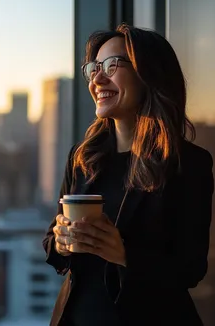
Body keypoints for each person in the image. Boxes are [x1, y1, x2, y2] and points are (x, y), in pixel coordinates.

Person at [42, 23, 214, 326]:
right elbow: (52, 242)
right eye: (94, 67)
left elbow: (190, 269)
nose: (97, 77)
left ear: (148, 75)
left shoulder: (189, 164)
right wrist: (60, 241)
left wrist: (124, 254)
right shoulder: (82, 156)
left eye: (112, 65)